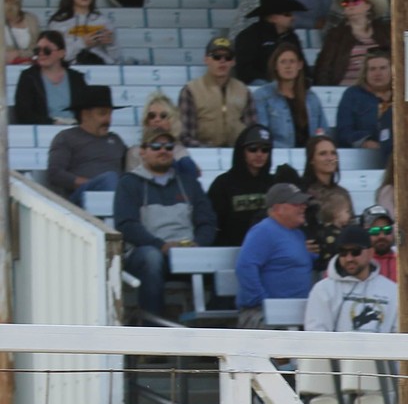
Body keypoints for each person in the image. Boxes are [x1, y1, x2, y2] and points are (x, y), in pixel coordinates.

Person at [114, 124, 217, 320]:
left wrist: (199, 244)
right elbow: (126, 224)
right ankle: (154, 334)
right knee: (152, 259)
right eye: (156, 146)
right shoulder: (129, 183)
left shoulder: (189, 183)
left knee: (224, 262)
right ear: (142, 151)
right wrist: (160, 245)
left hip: (186, 252)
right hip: (144, 253)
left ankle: (217, 330)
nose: (163, 151)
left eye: (169, 147)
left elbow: (207, 221)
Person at [235, 183, 317, 324]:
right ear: (278, 208)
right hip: (264, 315)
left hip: (299, 314)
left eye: (304, 203)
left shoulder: (298, 234)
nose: (304, 206)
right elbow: (245, 267)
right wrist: (263, 303)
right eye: (297, 203)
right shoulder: (263, 231)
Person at [303, 225, 397, 334]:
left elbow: (398, 334)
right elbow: (316, 334)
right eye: (343, 252)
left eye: (355, 252)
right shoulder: (323, 289)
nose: (349, 258)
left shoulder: (391, 290)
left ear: (371, 252)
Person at [44, 84, 128, 206]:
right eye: (102, 114)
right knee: (110, 179)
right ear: (85, 115)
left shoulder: (116, 140)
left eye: (110, 114)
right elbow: (55, 173)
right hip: (80, 199)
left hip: (116, 193)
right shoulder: (66, 137)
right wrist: (91, 183)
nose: (108, 120)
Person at [335, 47, 395, 154]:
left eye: (383, 68)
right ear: (365, 73)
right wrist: (365, 142)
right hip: (364, 154)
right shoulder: (352, 95)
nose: (377, 73)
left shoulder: (403, 95)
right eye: (372, 69)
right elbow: (344, 131)